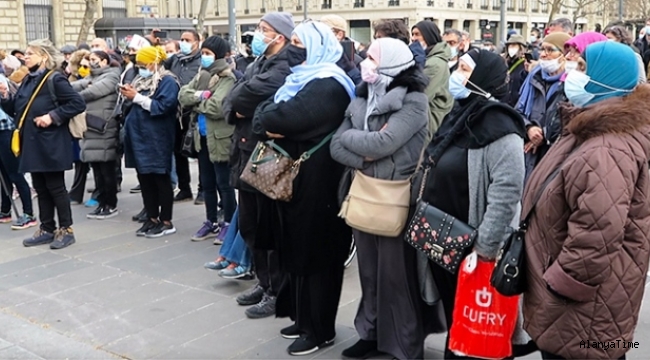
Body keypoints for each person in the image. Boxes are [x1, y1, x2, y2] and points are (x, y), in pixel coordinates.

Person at [523, 41, 649, 360]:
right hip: (578, 306)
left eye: (582, 68)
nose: (572, 72)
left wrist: (561, 284)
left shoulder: (606, 147)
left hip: (580, 308)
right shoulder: (590, 129)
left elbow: (598, 232)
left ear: (605, 80)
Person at [251, 20, 355, 356]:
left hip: (320, 184)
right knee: (295, 248)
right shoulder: (302, 79)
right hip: (296, 179)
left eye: (299, 41)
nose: (293, 47)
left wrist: (277, 123)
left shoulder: (328, 84)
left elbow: (282, 119)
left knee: (317, 254)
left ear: (317, 45)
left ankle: (319, 329)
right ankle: (302, 318)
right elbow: (264, 116)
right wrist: (274, 120)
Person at [420, 48, 528, 359]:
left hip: (474, 247)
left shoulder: (501, 126)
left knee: (481, 327)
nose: (456, 72)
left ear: (483, 78)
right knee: (458, 317)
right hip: (444, 239)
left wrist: (485, 249)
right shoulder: (460, 113)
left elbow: (507, 193)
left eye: (465, 69)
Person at [329, 37, 430, 360]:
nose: (364, 62)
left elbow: (385, 142)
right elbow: (336, 145)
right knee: (369, 271)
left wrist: (352, 139)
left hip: (396, 195)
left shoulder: (414, 101)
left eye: (372, 57)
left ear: (389, 63)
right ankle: (369, 332)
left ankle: (403, 342)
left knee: (396, 275)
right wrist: (362, 155)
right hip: (363, 191)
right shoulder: (362, 95)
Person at [222, 11, 294, 320]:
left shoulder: (285, 64)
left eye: (264, 29)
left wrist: (238, 99)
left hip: (266, 154)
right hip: (244, 149)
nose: (258, 34)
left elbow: (248, 93)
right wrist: (237, 102)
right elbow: (232, 98)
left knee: (268, 227)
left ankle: (276, 291)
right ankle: (263, 282)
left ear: (280, 35)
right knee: (250, 224)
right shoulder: (258, 63)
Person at [0, 39, 86, 249]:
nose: (25, 56)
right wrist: (4, 96)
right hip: (32, 143)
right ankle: (47, 228)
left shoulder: (54, 79)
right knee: (40, 186)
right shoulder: (28, 79)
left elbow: (77, 103)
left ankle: (66, 229)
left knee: (56, 187)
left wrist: (53, 116)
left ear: (44, 57)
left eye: (30, 53)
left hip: (52, 143)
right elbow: (18, 109)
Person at [178, 36, 237, 243]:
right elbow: (182, 95)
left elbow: (217, 107)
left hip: (220, 139)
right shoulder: (202, 75)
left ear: (219, 55)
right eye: (202, 53)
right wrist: (201, 96)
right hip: (201, 138)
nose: (204, 57)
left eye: (208, 53)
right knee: (207, 183)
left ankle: (229, 223)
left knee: (224, 184)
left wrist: (196, 102)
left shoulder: (227, 77)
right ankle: (210, 221)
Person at [121, 46, 180, 238]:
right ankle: (152, 217)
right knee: (145, 179)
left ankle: (166, 220)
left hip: (157, 138)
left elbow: (163, 106)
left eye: (142, 64)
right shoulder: (141, 80)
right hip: (139, 137)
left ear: (153, 63)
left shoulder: (168, 81)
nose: (140, 68)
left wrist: (136, 97)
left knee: (160, 179)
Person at [71, 51, 121, 220]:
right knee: (98, 172)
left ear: (104, 61)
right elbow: (78, 86)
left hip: (104, 129)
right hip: (91, 128)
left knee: (107, 171)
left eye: (94, 60)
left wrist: (75, 97)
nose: (90, 64)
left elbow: (94, 92)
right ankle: (101, 203)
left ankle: (110, 204)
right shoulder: (92, 78)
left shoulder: (112, 76)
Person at [516, 32, 571, 182]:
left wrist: (544, 134)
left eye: (550, 50)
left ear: (564, 54)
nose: (544, 55)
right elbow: (518, 111)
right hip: (529, 152)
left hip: (555, 153)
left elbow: (569, 117)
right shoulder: (534, 77)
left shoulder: (572, 83)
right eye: (542, 49)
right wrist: (529, 128)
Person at [164, 29, 202, 203]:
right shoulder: (175, 60)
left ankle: (203, 189)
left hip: (193, 111)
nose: (184, 43)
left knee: (199, 151)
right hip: (176, 113)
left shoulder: (202, 61)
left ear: (197, 41)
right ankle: (184, 187)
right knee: (178, 151)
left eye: (188, 40)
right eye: (182, 39)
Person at [0, 67, 37, 230]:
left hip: (5, 131)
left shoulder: (2, 80)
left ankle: (28, 213)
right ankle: (5, 210)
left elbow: (8, 102)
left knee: (14, 173)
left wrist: (3, 94)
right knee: (3, 174)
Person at [411, 20, 453, 137]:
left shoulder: (434, 63)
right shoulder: (428, 58)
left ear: (428, 35)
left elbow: (421, 94)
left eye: (418, 34)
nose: (414, 38)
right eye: (412, 34)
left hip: (429, 123)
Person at [320, 15, 362, 84]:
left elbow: (361, 88)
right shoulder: (317, 57)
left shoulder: (356, 61)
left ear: (339, 35)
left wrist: (350, 69)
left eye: (325, 32)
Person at [503, 34, 529, 107]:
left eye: (514, 45)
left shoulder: (525, 64)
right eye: (510, 46)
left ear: (521, 47)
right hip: (504, 104)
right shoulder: (504, 62)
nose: (511, 48)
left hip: (518, 105)